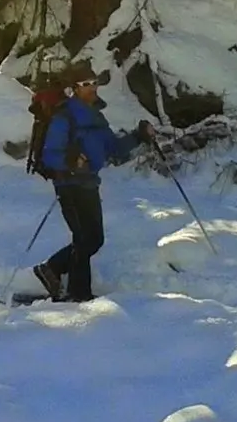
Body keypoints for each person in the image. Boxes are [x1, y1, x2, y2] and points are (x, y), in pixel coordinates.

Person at [32, 64, 155, 302]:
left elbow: (114, 149)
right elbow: (50, 155)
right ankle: (79, 293)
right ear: (74, 89)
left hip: (89, 184)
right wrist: (71, 159)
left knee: (94, 239)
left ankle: (51, 269)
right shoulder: (64, 115)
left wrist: (139, 136)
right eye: (85, 84)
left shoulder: (96, 116)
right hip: (68, 185)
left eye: (94, 82)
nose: (92, 88)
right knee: (85, 238)